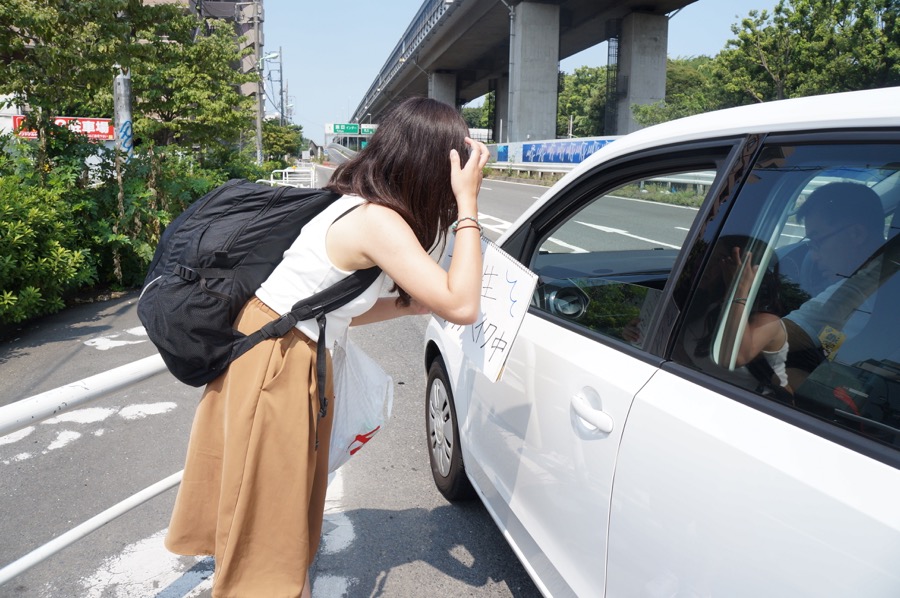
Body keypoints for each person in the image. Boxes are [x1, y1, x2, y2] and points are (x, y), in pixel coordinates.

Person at [164, 97, 491, 598]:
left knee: (275, 501)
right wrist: (468, 205)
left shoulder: (362, 206)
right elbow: (463, 304)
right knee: (269, 511)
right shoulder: (378, 221)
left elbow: (336, 308)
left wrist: (409, 307)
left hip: (286, 348)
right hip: (279, 358)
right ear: (432, 165)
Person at [722, 182, 885, 390]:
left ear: (857, 234)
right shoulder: (885, 276)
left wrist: (738, 290)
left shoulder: (850, 292)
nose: (814, 257)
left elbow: (740, 352)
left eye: (817, 241)